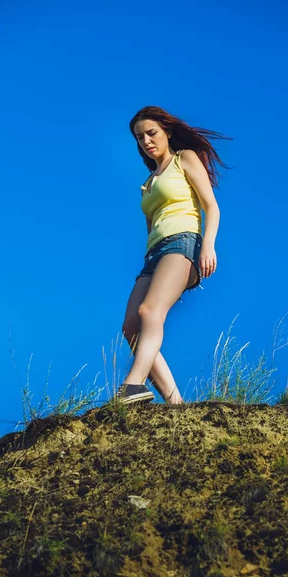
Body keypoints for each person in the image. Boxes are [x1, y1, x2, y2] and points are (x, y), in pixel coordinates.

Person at [111, 106, 233, 406]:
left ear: (166, 131)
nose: (146, 141)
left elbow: (211, 206)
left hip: (184, 244)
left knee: (150, 312)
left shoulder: (184, 159)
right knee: (131, 326)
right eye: (140, 138)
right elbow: (151, 227)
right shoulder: (148, 183)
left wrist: (208, 245)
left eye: (151, 133)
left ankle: (132, 385)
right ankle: (175, 404)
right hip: (155, 254)